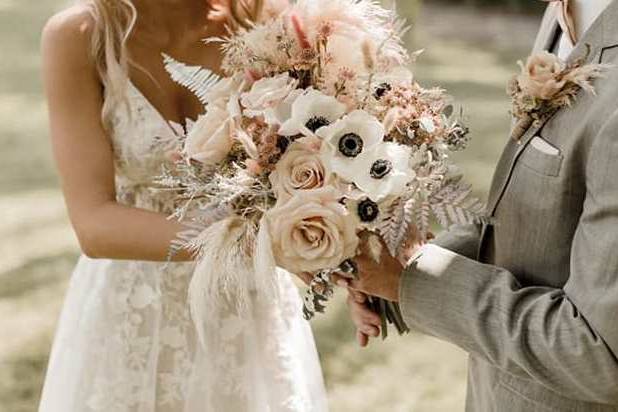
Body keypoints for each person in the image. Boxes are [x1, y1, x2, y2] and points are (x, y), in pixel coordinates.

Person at [38, 1, 327, 411]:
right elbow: (93, 223)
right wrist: (255, 244)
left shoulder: (274, 24)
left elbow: (328, 159)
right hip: (130, 311)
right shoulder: (81, 36)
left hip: (246, 308)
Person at [347, 0, 618, 410]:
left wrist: (414, 284)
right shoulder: (564, 12)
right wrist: (396, 271)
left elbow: (596, 353)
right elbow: (539, 220)